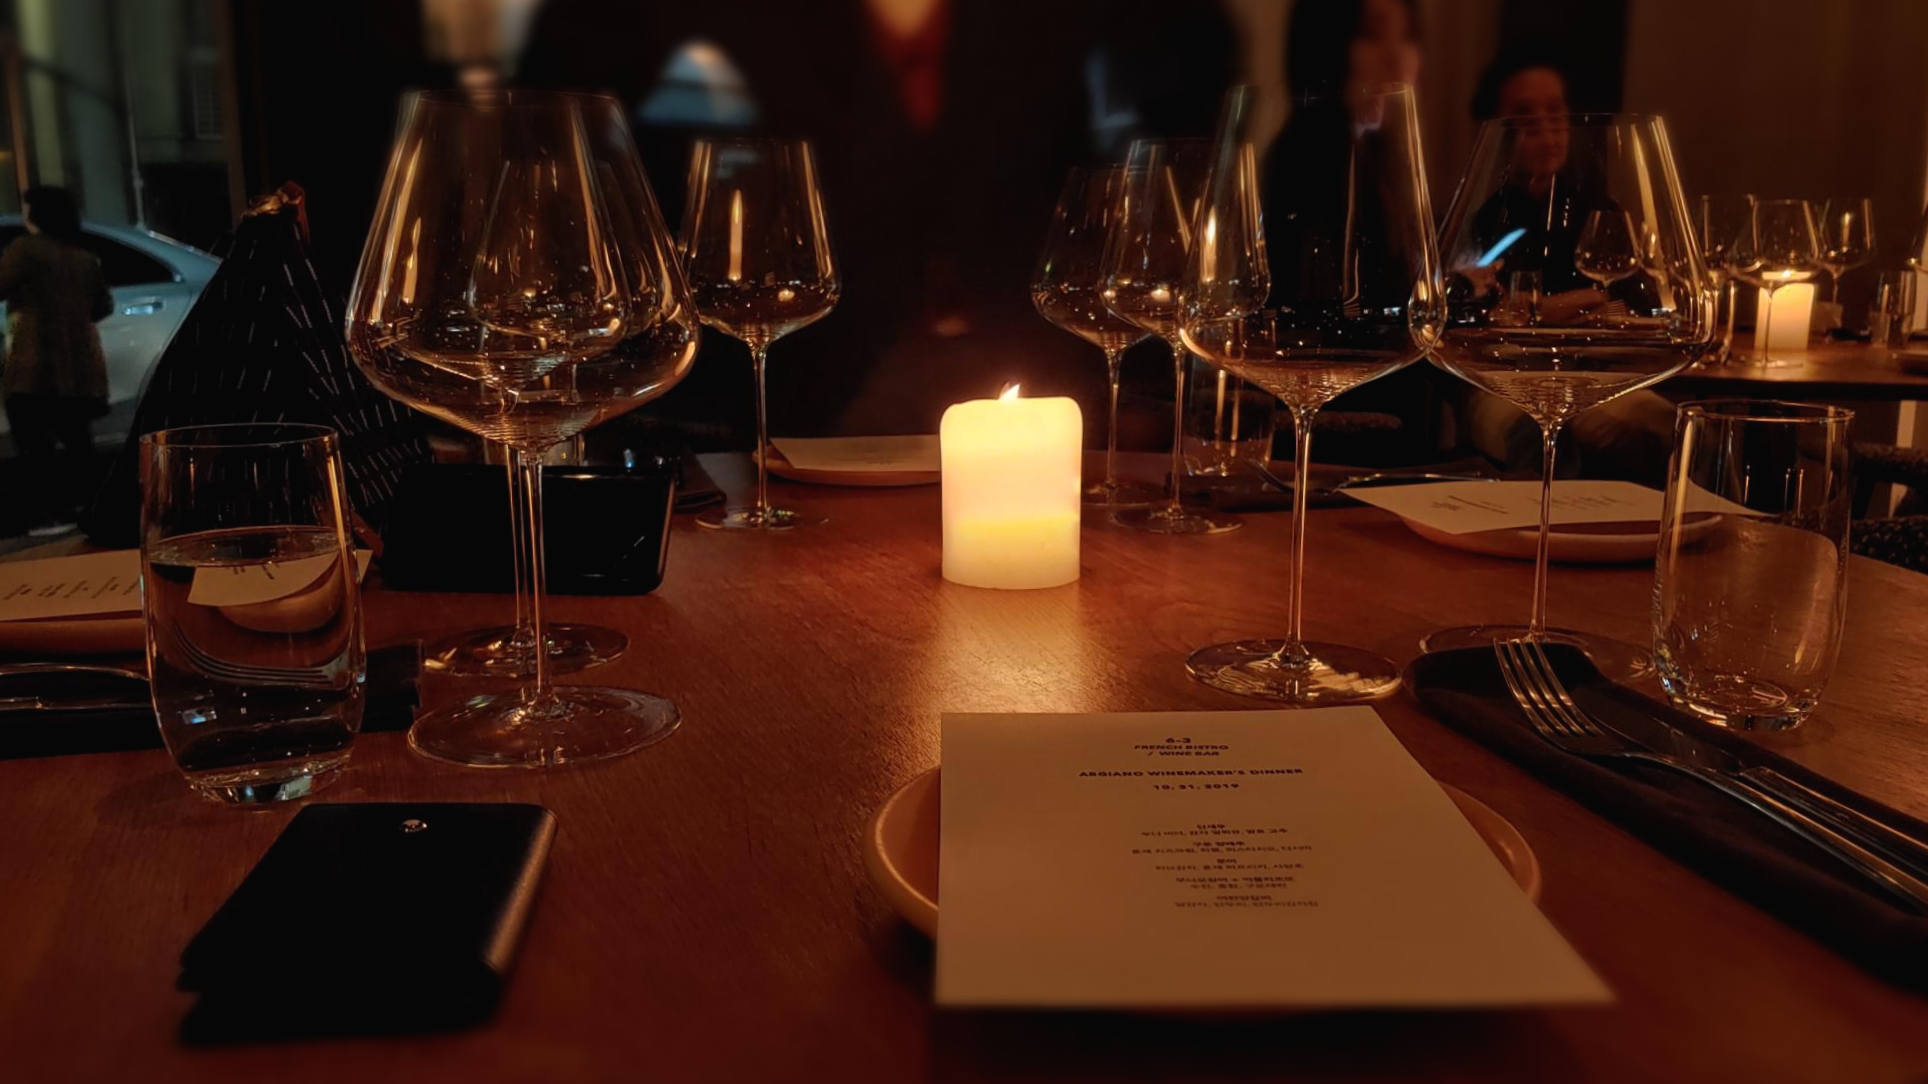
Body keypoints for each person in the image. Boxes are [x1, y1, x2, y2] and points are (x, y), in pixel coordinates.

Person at [1450, 46, 1676, 485]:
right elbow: (1473, 318)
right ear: (1496, 128)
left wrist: (1541, 309)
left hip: (1591, 375)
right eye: (1525, 116)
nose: (1545, 129)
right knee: (1535, 430)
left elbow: (1645, 303)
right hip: (1498, 380)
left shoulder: (1601, 214)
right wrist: (1583, 301)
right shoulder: (1482, 222)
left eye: (1555, 112)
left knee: (1675, 430)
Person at [0, 186, 113, 536]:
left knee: (34, 441)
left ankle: (44, 513)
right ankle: (90, 506)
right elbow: (103, 306)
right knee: (77, 439)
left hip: (35, 360)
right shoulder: (84, 256)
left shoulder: (25, 250)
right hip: (79, 363)